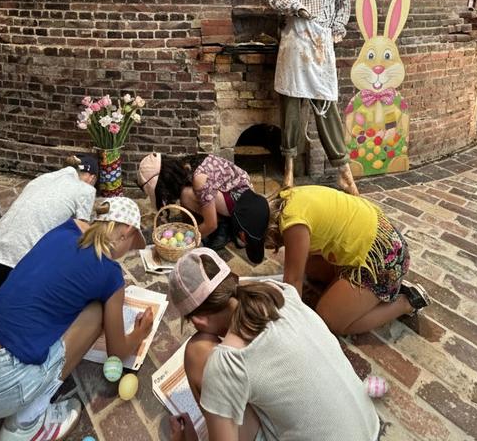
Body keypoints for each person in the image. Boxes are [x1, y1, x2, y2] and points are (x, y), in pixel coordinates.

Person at [0, 197, 153, 441]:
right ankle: (27, 425)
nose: (126, 252)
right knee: (97, 312)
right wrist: (140, 332)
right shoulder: (110, 273)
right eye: (131, 245)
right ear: (126, 231)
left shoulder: (65, 229)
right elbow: (118, 352)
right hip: (1, 378)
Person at [167, 248, 380, 441]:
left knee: (196, 351)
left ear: (198, 321)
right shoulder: (281, 291)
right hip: (370, 428)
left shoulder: (228, 360)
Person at [0, 155, 98, 368]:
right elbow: (80, 235)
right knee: (41, 324)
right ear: (92, 178)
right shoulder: (86, 190)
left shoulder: (41, 180)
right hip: (17, 274)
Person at [263, 0, 358, 195]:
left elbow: (344, 5)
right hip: (297, 42)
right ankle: (289, 168)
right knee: (292, 106)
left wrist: (338, 28)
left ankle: (342, 168)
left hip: (322, 46)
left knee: (326, 104)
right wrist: (296, 7)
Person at [245, 185, 429, 335]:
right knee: (309, 267)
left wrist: (289, 327)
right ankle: (359, 294)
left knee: (330, 320)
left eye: (266, 245)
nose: (270, 249)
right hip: (380, 238)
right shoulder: (288, 197)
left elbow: (293, 282)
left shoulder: (293, 224)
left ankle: (406, 303)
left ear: (270, 233)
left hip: (382, 258)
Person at [137, 152, 269, 252]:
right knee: (188, 195)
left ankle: (225, 225)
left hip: (239, 199)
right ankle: (219, 220)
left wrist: (185, 242)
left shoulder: (199, 179)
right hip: (230, 190)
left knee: (186, 195)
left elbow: (211, 225)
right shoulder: (184, 168)